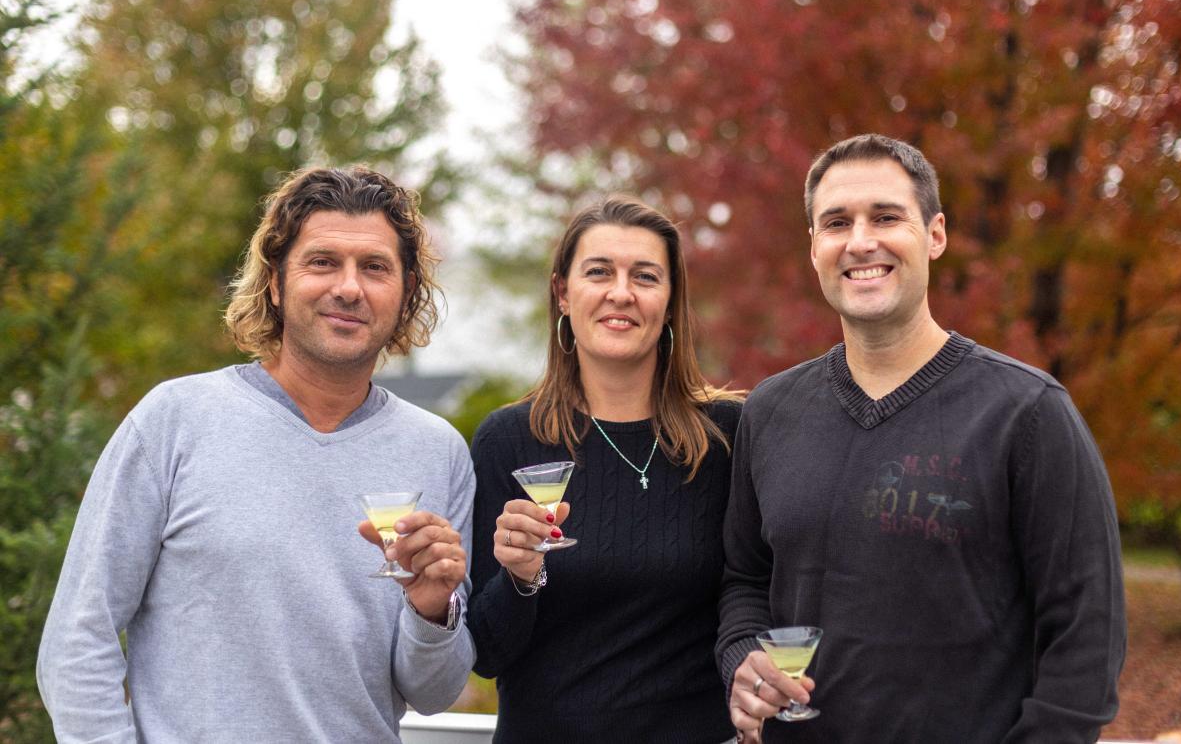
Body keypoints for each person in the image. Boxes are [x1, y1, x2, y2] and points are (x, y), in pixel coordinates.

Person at [37, 167, 475, 742]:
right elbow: (77, 638)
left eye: (375, 267)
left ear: (406, 292)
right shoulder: (175, 420)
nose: (349, 287)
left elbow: (434, 692)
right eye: (322, 262)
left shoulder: (438, 450)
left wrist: (431, 610)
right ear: (274, 281)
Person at [717, 134, 1126, 742]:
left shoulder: (1027, 412)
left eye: (886, 216)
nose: (860, 241)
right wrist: (743, 657)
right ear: (814, 248)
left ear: (934, 235)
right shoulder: (771, 410)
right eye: (836, 223)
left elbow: (1087, 636)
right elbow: (744, 580)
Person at [467, 197, 745, 743]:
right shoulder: (509, 440)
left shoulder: (728, 436)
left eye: (645, 276)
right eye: (599, 272)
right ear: (563, 294)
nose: (622, 292)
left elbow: (756, 596)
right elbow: (486, 654)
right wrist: (520, 577)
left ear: (669, 303)